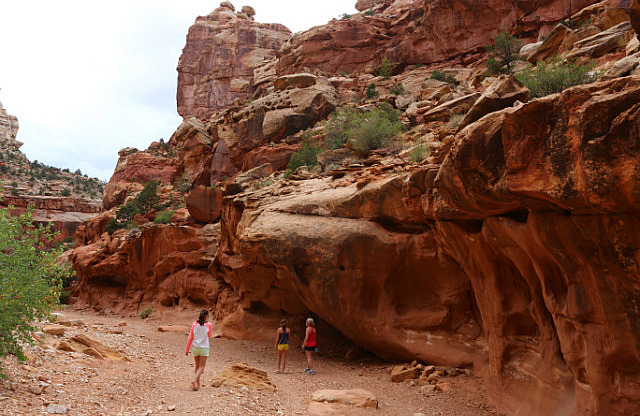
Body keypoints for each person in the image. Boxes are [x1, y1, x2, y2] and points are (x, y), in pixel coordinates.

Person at [185, 309, 213, 390]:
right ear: (206, 316)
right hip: (204, 348)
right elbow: (209, 335)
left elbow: (190, 337)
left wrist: (187, 349)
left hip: (195, 347)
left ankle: (197, 385)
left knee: (197, 366)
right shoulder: (209, 325)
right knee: (201, 367)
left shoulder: (194, 324)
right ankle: (194, 380)